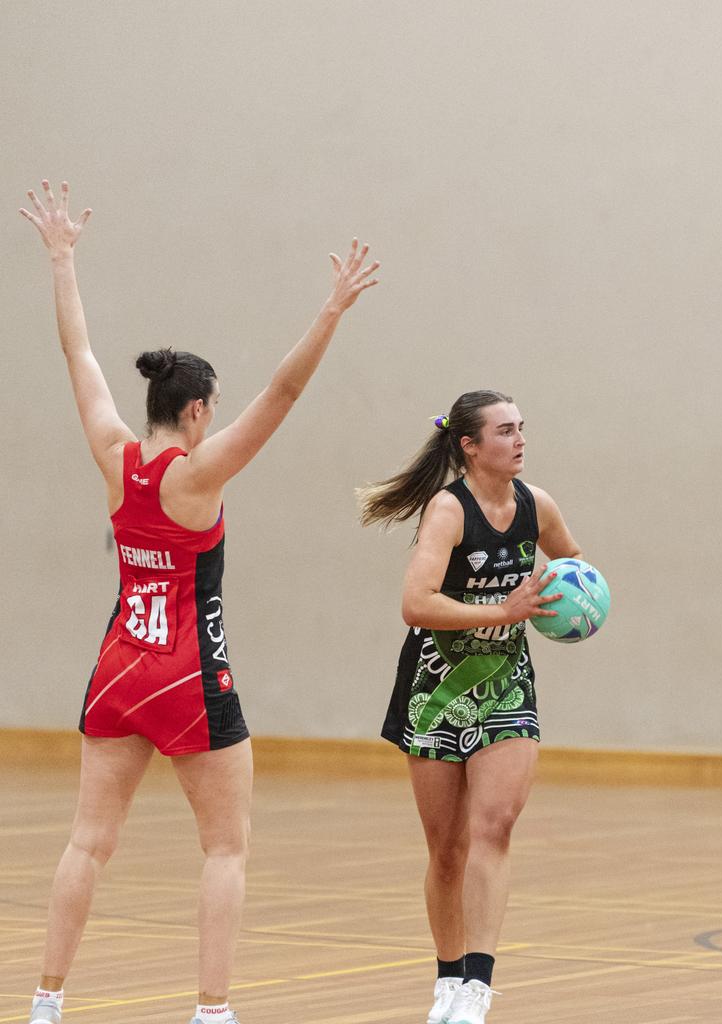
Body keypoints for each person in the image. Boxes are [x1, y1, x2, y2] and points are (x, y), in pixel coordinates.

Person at [19, 180, 379, 1024]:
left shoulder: (115, 454)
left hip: (117, 668)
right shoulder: (198, 475)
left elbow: (80, 358)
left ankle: (45, 1000)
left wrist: (63, 260)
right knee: (225, 846)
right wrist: (330, 312)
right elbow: (282, 399)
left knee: (87, 842)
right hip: (187, 676)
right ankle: (212, 1010)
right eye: (211, 408)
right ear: (195, 411)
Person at [359, 391, 582, 1024]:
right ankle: (448, 978)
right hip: (436, 685)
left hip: (507, 683)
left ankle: (479, 986)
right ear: (469, 445)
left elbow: (574, 564)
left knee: (495, 826)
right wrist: (501, 610)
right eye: (505, 431)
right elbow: (416, 604)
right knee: (447, 849)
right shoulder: (447, 512)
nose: (519, 440)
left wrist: (572, 603)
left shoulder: (538, 506)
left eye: (521, 429)